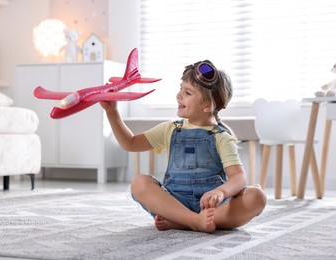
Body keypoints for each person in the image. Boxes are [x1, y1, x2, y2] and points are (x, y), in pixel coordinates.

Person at [100, 59, 267, 233]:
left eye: (187, 92)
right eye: (181, 89)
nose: (179, 95)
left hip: (213, 207)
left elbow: (238, 177)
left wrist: (220, 192)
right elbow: (130, 143)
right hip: (175, 203)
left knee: (257, 197)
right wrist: (112, 112)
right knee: (139, 183)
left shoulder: (222, 137)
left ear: (208, 105)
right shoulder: (170, 128)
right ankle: (193, 220)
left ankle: (184, 222)